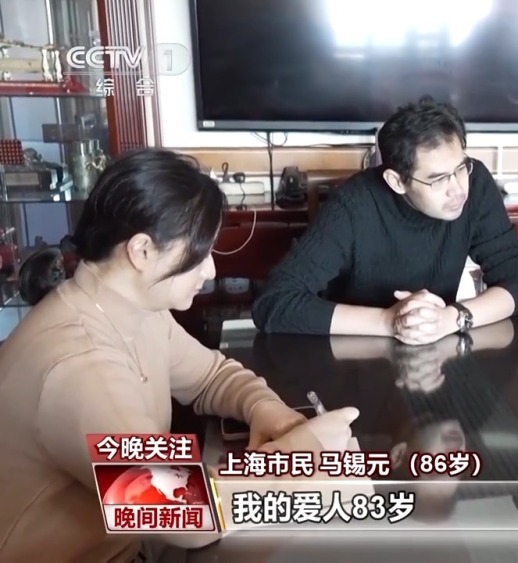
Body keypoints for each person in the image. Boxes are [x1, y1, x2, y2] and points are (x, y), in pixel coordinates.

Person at [0, 149, 330, 562]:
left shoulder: (134, 307)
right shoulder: (77, 367)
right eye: (199, 253)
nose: (210, 270)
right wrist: (299, 453)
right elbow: (186, 515)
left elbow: (211, 376)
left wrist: (267, 409)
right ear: (141, 251)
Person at [251, 97, 518, 345]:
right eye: (437, 179)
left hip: (434, 348)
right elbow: (274, 302)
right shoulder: (353, 205)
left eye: (461, 168)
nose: (458, 189)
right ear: (396, 181)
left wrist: (451, 319)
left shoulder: (476, 183)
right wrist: (390, 322)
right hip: (352, 354)